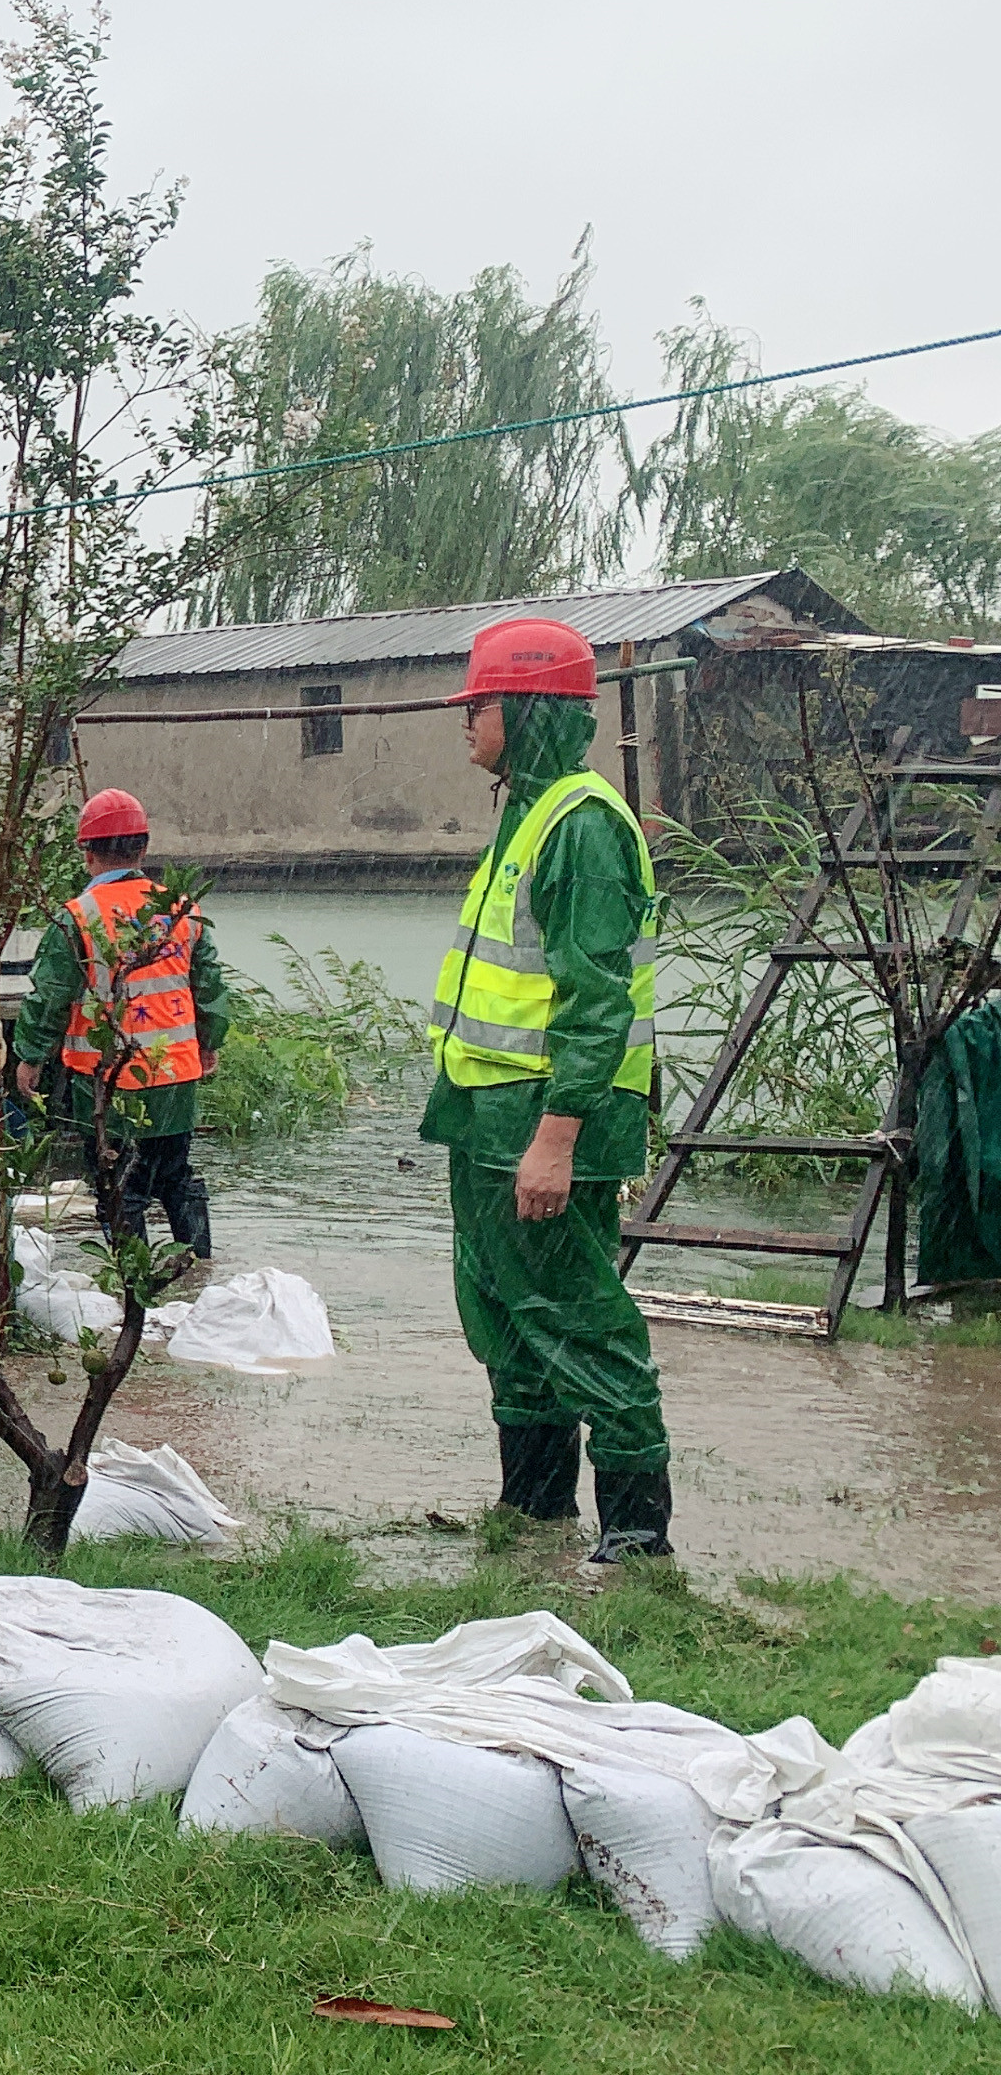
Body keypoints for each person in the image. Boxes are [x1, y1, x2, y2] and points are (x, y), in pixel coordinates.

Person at [426, 617, 672, 1562]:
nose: (466, 720)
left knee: (579, 1315)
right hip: (489, 1114)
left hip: (545, 1120)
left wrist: (557, 1138)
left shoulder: (581, 828)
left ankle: (639, 1543)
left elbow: (595, 1000)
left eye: (480, 703)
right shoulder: (527, 817)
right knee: (503, 1310)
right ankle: (533, 1517)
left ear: (527, 710)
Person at [10, 789, 226, 1263]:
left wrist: (29, 1057)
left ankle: (134, 1288)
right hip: (175, 1073)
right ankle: (198, 1271)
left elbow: (51, 997)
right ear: (143, 850)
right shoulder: (183, 910)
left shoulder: (78, 917)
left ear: (87, 853)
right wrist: (208, 1044)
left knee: (118, 1182)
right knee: (175, 1173)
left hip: (110, 1079)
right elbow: (207, 987)